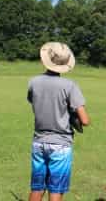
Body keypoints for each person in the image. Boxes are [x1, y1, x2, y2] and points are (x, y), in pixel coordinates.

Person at [27, 42, 90, 201]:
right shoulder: (70, 86)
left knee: (37, 188)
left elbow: (33, 102)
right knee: (55, 190)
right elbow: (85, 120)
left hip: (38, 142)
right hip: (60, 144)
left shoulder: (33, 82)